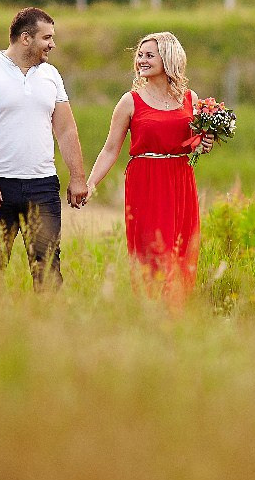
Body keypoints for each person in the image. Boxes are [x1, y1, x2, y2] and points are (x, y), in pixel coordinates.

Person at [0, 7, 88, 291]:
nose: (52, 44)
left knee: (48, 270)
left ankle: (49, 330)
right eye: (47, 37)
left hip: (43, 187)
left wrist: (78, 177)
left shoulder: (51, 76)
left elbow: (66, 129)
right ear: (26, 38)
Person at [87, 32, 213, 300]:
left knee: (181, 248)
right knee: (152, 250)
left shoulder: (191, 99)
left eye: (149, 56)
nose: (141, 61)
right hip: (145, 181)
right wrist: (90, 184)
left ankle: (177, 311)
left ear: (167, 59)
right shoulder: (130, 101)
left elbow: (193, 143)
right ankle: (151, 308)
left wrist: (204, 143)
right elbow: (110, 149)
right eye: (140, 56)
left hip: (180, 179)